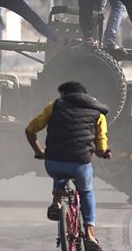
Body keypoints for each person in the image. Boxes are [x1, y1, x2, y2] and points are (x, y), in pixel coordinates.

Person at [25, 81, 111, 251]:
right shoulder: (98, 113)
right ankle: (90, 233)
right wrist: (103, 153)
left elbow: (30, 129)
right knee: (86, 191)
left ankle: (57, 201)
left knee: (59, 168)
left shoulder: (54, 106)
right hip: (80, 164)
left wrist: (39, 151)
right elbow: (101, 143)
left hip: (53, 163)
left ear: (65, 95)